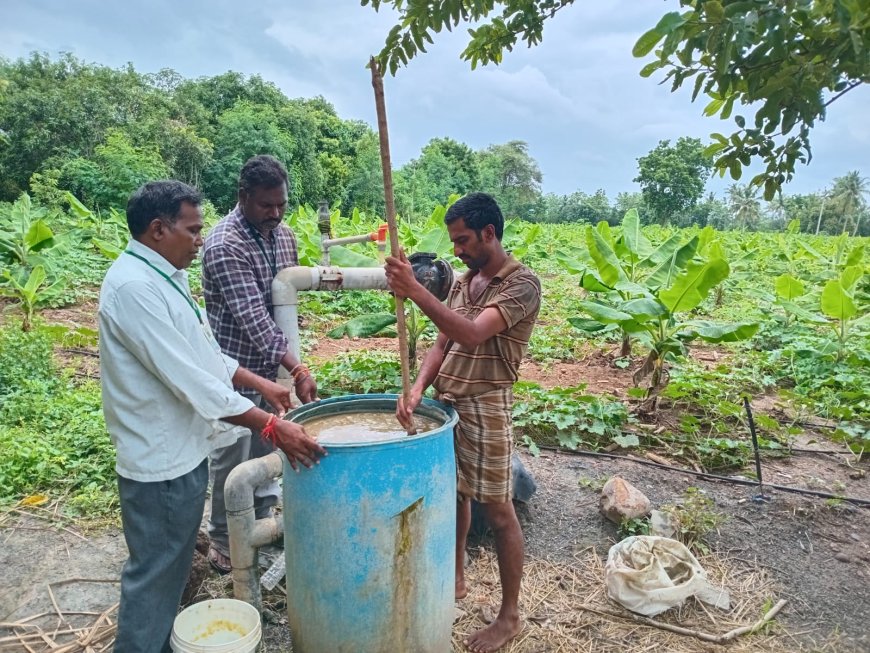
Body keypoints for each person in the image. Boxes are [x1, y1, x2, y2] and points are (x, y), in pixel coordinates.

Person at [99, 180, 325, 653]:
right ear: (158, 229)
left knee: (169, 568)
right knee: (155, 574)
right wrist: (268, 424)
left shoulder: (164, 276)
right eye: (193, 229)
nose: (200, 239)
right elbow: (192, 380)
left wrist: (262, 385)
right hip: (159, 460)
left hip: (181, 450)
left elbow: (205, 355)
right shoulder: (135, 289)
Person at [384, 192, 541, 653]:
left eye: (464, 240)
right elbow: (443, 343)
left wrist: (414, 290)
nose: (456, 250)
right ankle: (455, 575)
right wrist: (416, 389)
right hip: (447, 403)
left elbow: (471, 334)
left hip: (487, 407)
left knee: (498, 509)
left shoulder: (521, 283)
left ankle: (509, 616)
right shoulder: (466, 281)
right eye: (453, 240)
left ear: (490, 233)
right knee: (456, 494)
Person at [201, 154, 317, 573]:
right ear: (243, 197)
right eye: (267, 205)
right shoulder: (225, 244)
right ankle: (222, 539)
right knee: (232, 456)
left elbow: (285, 307)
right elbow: (253, 318)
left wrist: (290, 368)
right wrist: (299, 367)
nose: (276, 213)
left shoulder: (283, 236)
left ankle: (264, 521)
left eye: (281, 204)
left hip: (274, 371)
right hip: (234, 369)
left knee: (271, 446)